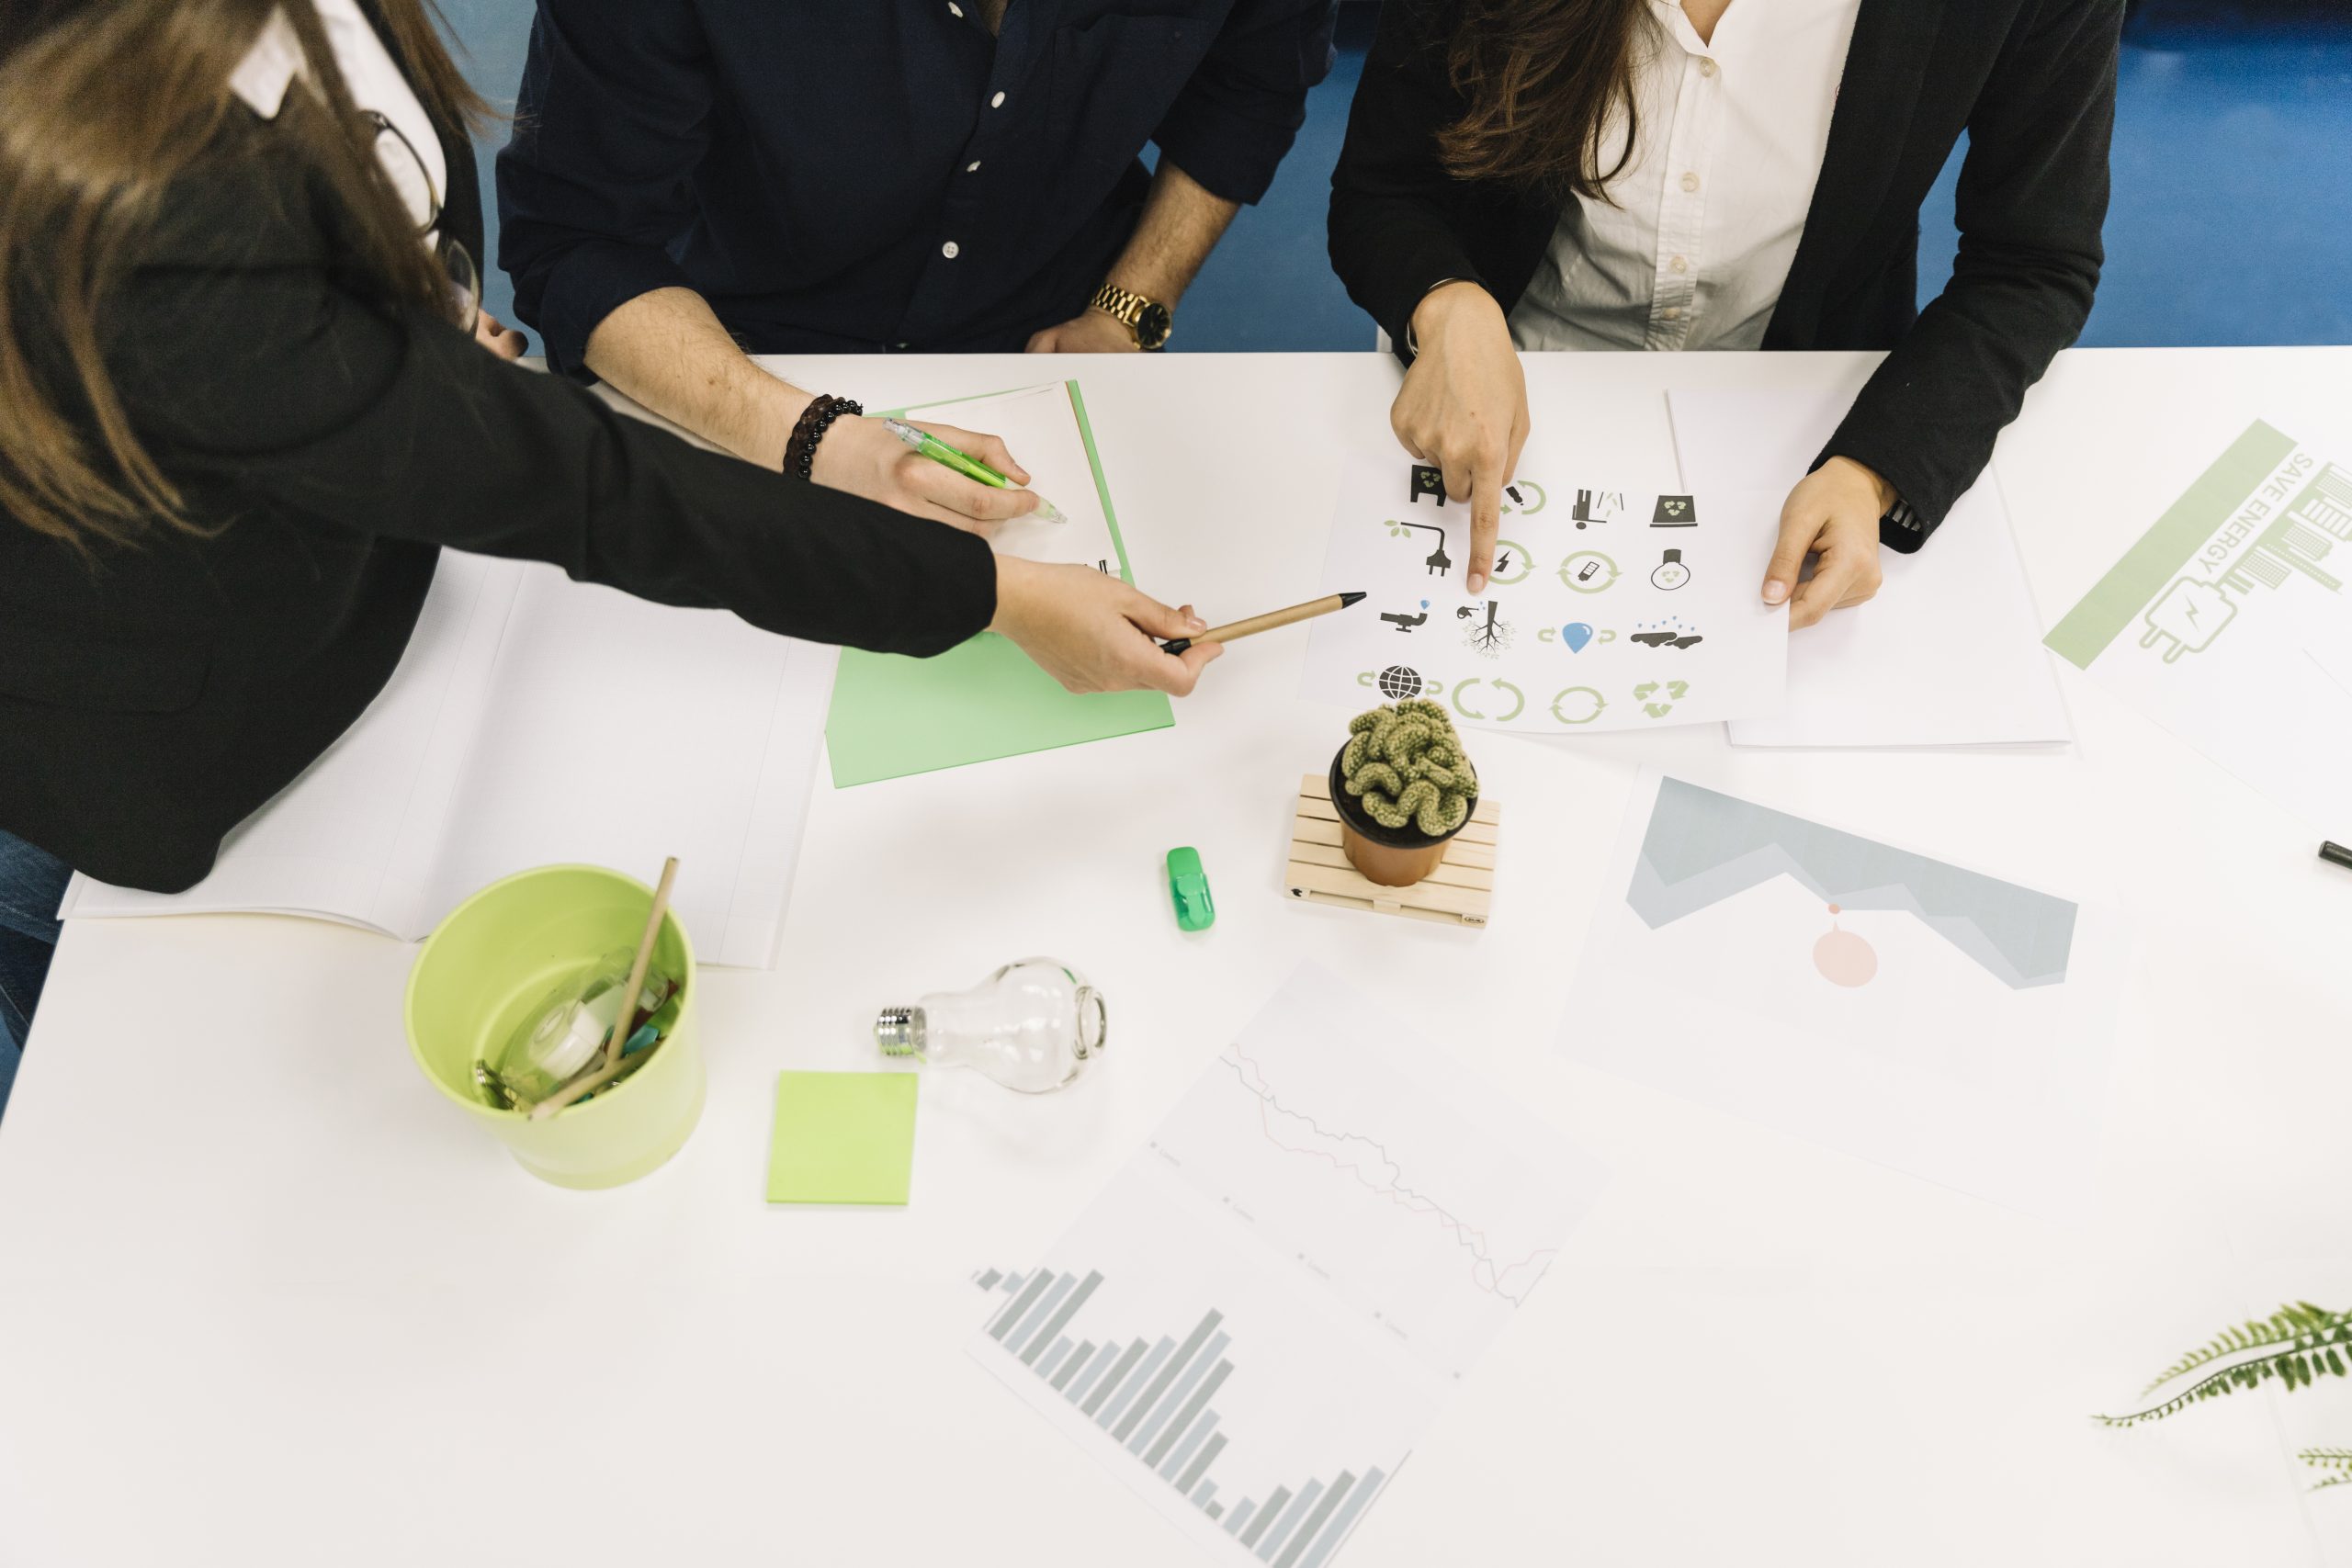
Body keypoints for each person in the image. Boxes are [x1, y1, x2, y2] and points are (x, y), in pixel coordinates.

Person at [0, 0, 1222, 1105]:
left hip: (358, 579)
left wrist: (408, 322)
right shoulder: (140, 191)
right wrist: (995, 594)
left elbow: (367, 208)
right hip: (161, 720)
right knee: (147, 1079)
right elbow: (600, 491)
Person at [1328, 0, 2120, 622]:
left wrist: (1878, 471)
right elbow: (1384, 190)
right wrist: (1446, 304)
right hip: (1504, 383)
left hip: (1807, 411)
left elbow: (2033, 262)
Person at [492, 0, 1338, 516]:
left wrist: (1131, 306)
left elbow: (1254, 77)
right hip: (732, 356)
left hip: (1050, 334)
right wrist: (812, 437)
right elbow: (579, 236)